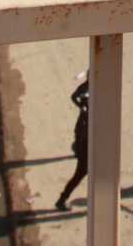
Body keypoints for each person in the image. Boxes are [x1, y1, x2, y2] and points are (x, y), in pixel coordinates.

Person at [55, 77, 90, 211]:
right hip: (87, 151)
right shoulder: (87, 118)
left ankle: (62, 200)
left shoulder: (87, 115)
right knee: (82, 176)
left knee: (79, 176)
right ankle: (62, 200)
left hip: (86, 149)